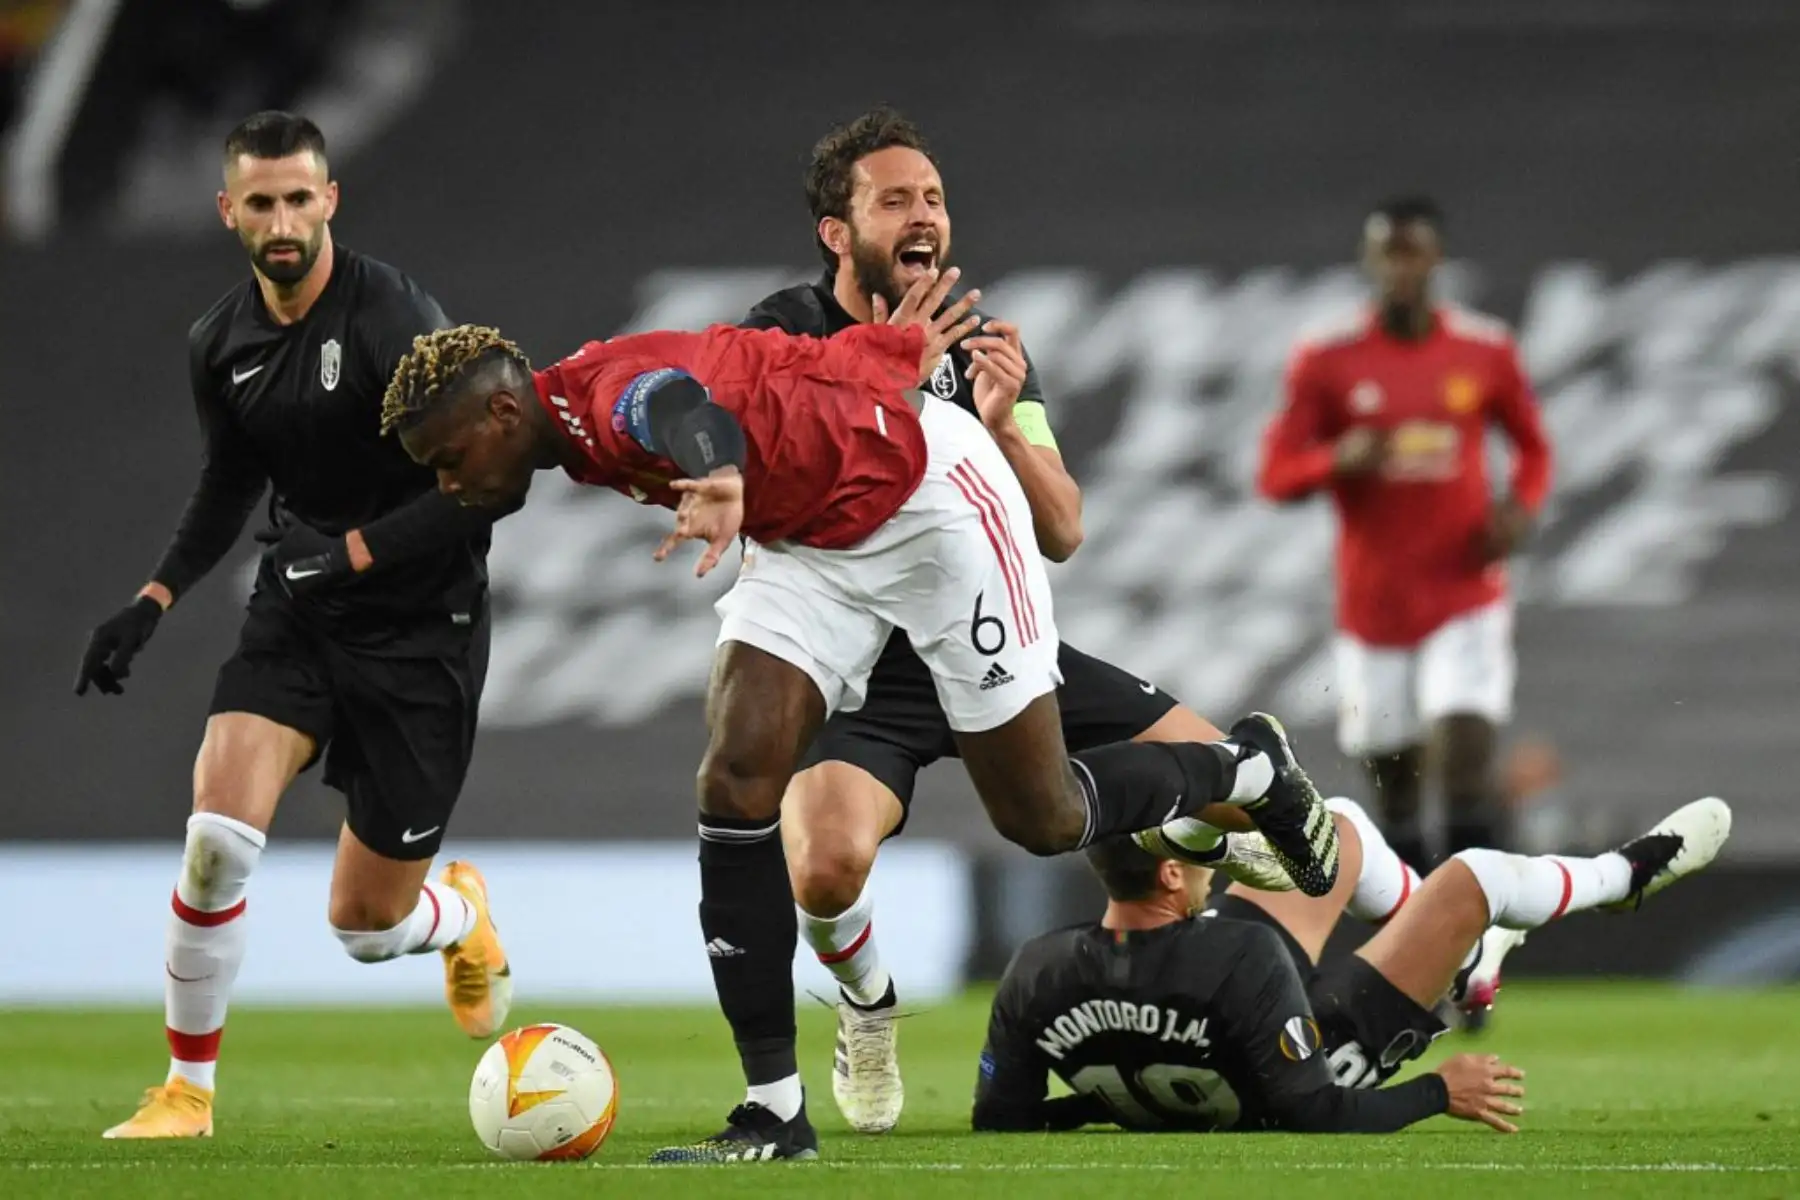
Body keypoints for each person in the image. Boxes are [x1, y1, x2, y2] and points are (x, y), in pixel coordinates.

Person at [381, 277, 1341, 1164]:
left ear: (502, 413)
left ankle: (1243, 770)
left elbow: (679, 404)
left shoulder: (603, 401)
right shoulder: (557, 413)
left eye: (450, 459)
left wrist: (716, 475)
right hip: (809, 538)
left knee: (1042, 818)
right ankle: (774, 1110)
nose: (451, 482)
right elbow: (766, 375)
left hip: (929, 503)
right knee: (734, 782)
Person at [735, 107, 1281, 1137]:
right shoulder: (782, 334)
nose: (924, 215)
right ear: (836, 232)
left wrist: (1000, 426)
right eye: (893, 200)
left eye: (933, 197)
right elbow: (791, 471)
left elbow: (1064, 528)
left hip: (998, 640)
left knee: (1259, 796)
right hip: (865, 662)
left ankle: (1441, 931)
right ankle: (864, 1003)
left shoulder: (987, 351)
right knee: (823, 864)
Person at [73, 112, 510, 1140]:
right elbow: (230, 482)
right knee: (217, 840)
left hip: (422, 625)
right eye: (260, 202)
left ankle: (459, 917)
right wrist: (153, 599)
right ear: (230, 211)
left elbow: (485, 485)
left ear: (329, 202)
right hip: (302, 609)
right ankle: (186, 1093)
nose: (281, 220)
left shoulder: (395, 319)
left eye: (297, 198)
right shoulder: (218, 342)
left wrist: (353, 552)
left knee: (366, 929)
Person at [974, 795, 1730, 1133]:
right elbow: (1315, 1111)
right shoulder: (1239, 950)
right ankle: (1621, 881)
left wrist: (1117, 1106)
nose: (1214, 856)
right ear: (1172, 877)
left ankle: (1461, 960)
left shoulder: (1038, 966)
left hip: (1227, 1018)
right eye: (1199, 850)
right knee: (1477, 877)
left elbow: (1004, 1119)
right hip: (1318, 1055)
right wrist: (1440, 1091)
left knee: (1330, 833)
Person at [1258, 196, 1554, 870]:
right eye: (1387, 252)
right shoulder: (1328, 361)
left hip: (1464, 592)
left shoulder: (1484, 351)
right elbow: (1275, 475)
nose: (1400, 267)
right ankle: (1416, 933)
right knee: (1396, 789)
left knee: (1465, 755)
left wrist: (1521, 508)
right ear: (1370, 261)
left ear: (1436, 258)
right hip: (1375, 608)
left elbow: (1534, 448)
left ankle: (1482, 929)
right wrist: (1337, 459)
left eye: (1412, 251)